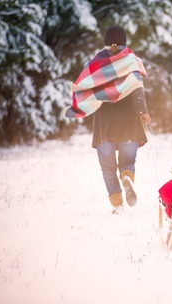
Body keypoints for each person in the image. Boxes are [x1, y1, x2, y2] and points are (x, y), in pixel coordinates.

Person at [66, 26, 151, 212]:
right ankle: (127, 178)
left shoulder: (96, 63)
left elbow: (84, 87)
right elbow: (137, 88)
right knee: (127, 162)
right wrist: (143, 112)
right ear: (124, 40)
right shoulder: (131, 61)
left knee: (108, 168)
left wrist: (79, 107)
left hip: (104, 124)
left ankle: (117, 204)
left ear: (105, 41)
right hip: (129, 122)